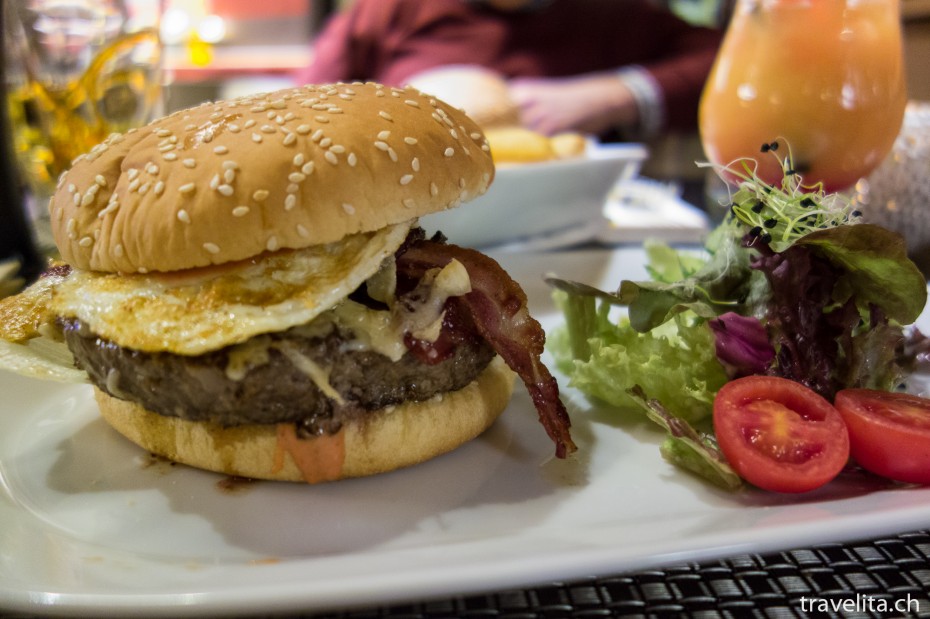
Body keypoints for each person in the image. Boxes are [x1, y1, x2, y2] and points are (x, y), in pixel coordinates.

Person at [293, 0, 723, 141]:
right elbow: (300, 110)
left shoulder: (613, 14)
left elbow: (725, 65)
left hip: (567, 233)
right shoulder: (392, 8)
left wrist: (615, 95)